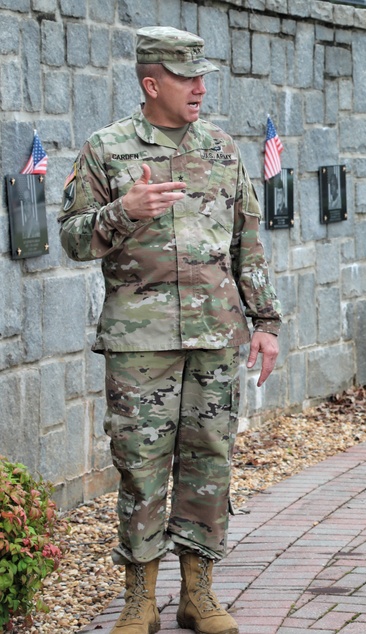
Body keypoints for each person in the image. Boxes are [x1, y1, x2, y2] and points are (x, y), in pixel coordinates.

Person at [58, 26, 282, 634]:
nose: (201, 88)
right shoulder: (107, 150)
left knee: (210, 459)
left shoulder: (222, 149)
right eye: (188, 77)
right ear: (151, 83)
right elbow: (73, 238)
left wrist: (266, 323)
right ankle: (139, 599)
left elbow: (247, 244)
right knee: (140, 464)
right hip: (139, 341)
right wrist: (121, 213)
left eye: (203, 76)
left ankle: (198, 594)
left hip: (215, 335)